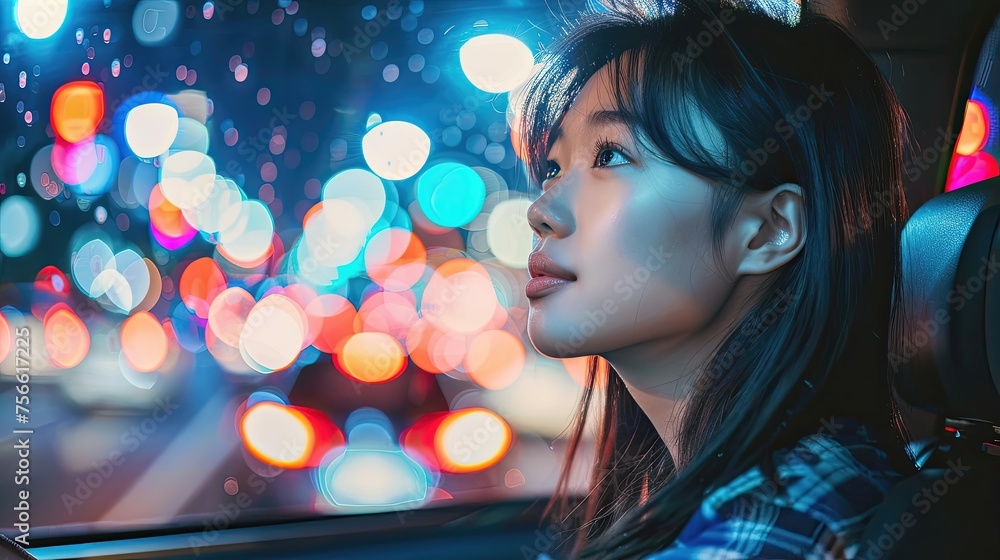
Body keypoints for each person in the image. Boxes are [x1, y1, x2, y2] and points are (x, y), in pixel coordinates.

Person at [519, 1, 918, 558]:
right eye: (555, 167)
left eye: (609, 155)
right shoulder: (742, 491)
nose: (540, 209)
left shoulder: (777, 524)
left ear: (768, 230)